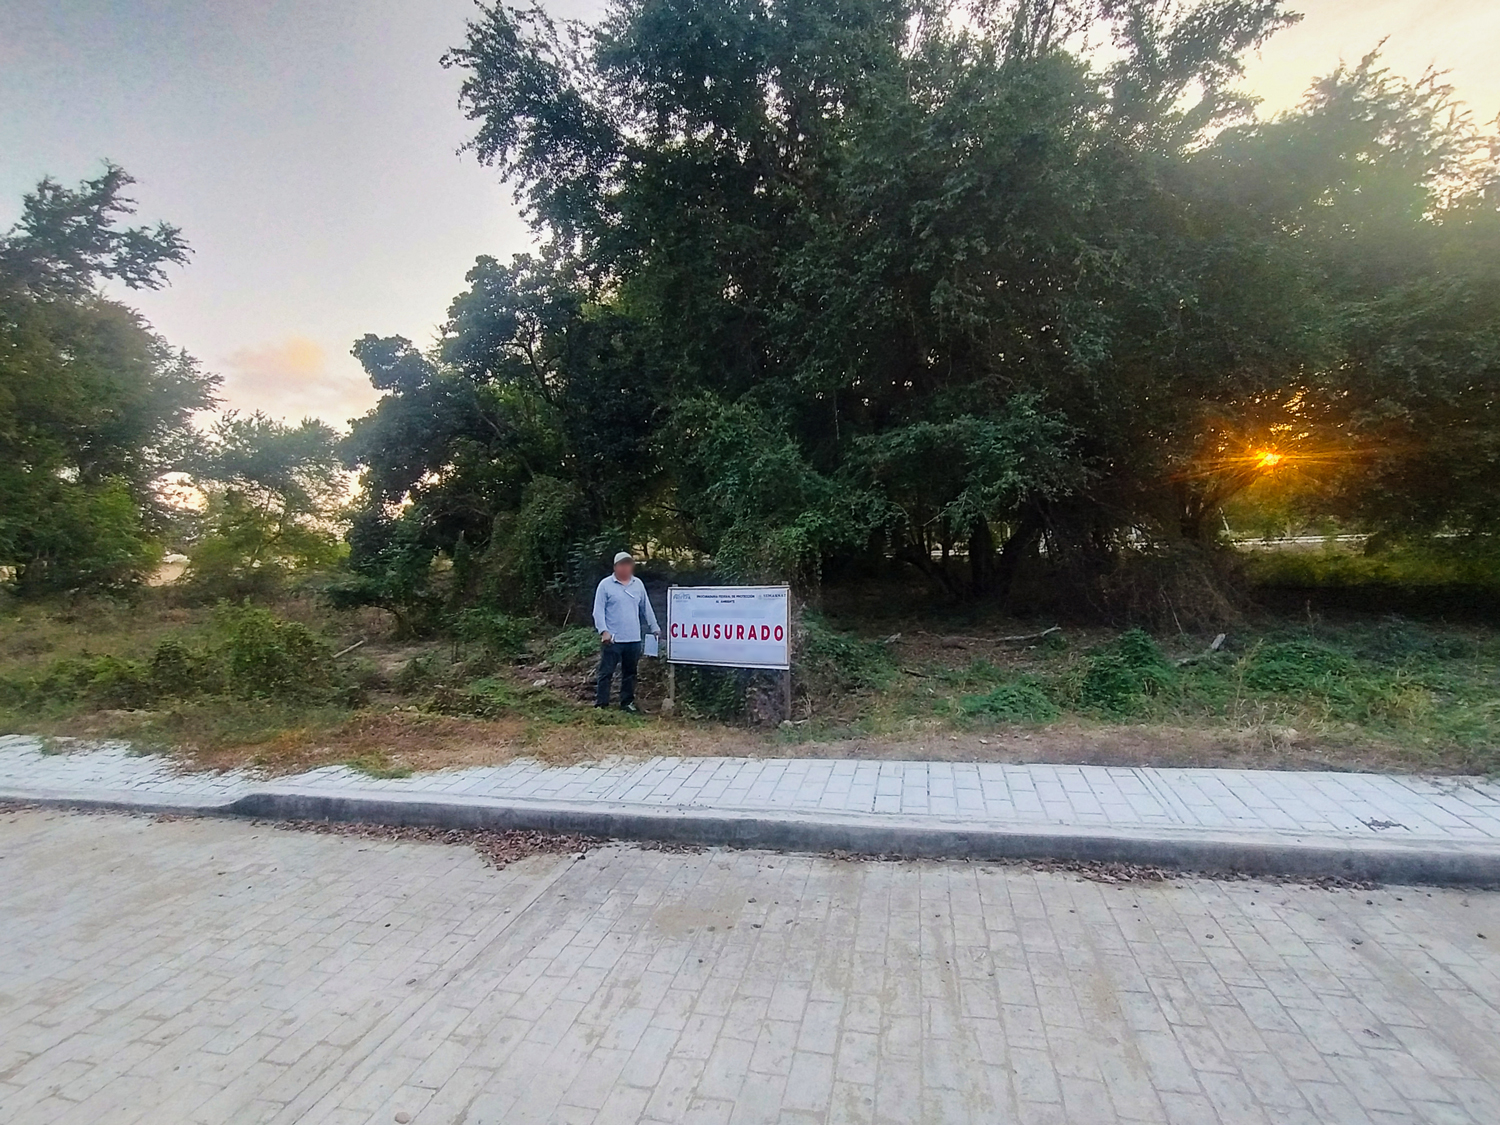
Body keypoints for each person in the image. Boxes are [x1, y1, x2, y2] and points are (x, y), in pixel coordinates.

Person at [592, 551, 660, 711]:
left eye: (628, 564)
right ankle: (601, 704)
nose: (625, 567)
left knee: (630, 673)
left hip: (633, 638)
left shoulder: (638, 584)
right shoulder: (605, 585)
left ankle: (627, 703)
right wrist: (603, 631)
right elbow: (598, 611)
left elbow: (646, 608)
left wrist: (655, 627)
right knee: (606, 672)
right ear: (615, 567)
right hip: (613, 639)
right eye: (622, 564)